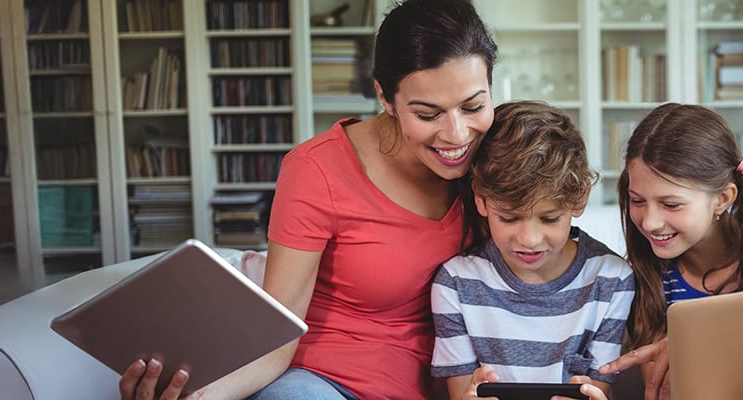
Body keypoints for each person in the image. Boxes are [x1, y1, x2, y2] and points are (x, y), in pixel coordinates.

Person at [117, 0, 499, 399]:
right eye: (427, 114)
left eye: (473, 105)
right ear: (385, 97)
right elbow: (277, 337)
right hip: (326, 383)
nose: (456, 135)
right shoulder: (316, 170)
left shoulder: (497, 156)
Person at [595, 103, 743, 400]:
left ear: (723, 198)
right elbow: (665, 391)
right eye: (637, 200)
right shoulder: (651, 277)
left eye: (671, 204)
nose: (650, 222)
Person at [428, 101, 630, 400]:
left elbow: (596, 388)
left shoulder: (612, 279)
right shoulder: (456, 283)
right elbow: (461, 394)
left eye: (550, 218)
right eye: (509, 218)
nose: (529, 239)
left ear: (580, 198)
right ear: (481, 200)